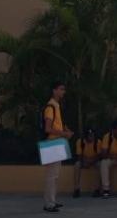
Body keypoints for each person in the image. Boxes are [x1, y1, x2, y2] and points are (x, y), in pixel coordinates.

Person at [42, 82, 73, 213]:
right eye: (61, 89)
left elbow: (57, 124)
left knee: (55, 175)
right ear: (54, 91)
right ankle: (49, 203)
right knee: (51, 175)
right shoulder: (51, 107)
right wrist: (64, 134)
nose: (63, 92)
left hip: (57, 143)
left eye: (63, 89)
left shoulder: (57, 106)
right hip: (51, 143)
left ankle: (52, 201)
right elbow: (48, 128)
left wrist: (65, 131)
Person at [73, 128, 102, 198]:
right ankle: (77, 189)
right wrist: (85, 162)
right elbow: (79, 155)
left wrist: (91, 162)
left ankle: (97, 189)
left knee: (99, 164)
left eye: (92, 135)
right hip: (84, 160)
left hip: (94, 160)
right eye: (89, 135)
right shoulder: (80, 142)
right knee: (77, 165)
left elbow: (99, 156)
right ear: (86, 136)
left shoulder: (98, 142)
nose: (91, 137)